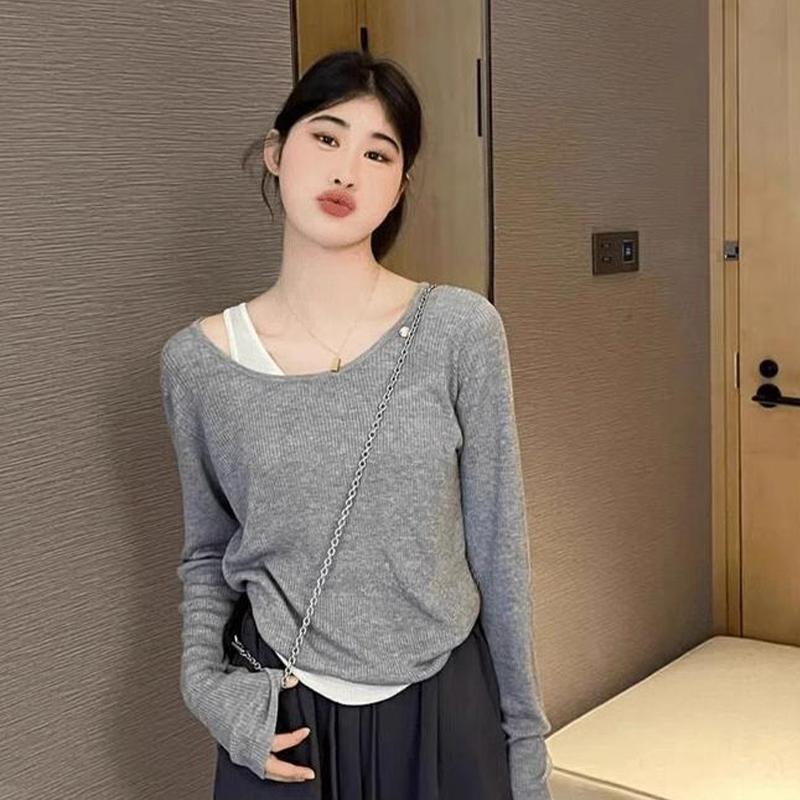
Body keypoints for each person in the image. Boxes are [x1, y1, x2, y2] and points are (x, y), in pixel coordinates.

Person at [159, 49, 553, 799]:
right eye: (326, 137)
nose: (347, 171)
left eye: (379, 153)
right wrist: (206, 689)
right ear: (277, 153)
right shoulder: (198, 363)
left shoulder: (459, 331)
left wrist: (526, 743)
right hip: (282, 717)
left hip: (444, 706)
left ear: (400, 185)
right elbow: (207, 554)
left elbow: (500, 549)